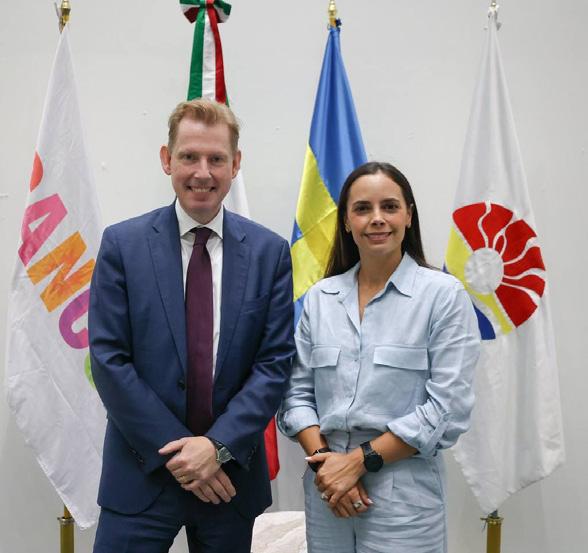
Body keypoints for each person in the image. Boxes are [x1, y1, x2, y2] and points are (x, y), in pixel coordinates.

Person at [89, 98, 295, 553]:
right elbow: (108, 360)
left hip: (228, 481)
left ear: (235, 164)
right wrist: (184, 453)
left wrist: (216, 447)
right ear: (167, 160)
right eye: (189, 157)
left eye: (216, 159)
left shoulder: (270, 253)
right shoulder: (122, 245)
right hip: (140, 476)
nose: (202, 172)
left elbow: (274, 364)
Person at [278, 161, 480, 553]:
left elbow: (448, 408)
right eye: (362, 209)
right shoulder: (321, 298)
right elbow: (295, 395)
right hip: (327, 490)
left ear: (408, 215)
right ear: (346, 221)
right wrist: (327, 463)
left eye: (389, 206)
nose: (377, 218)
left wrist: (358, 462)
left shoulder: (443, 296)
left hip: (403, 494)